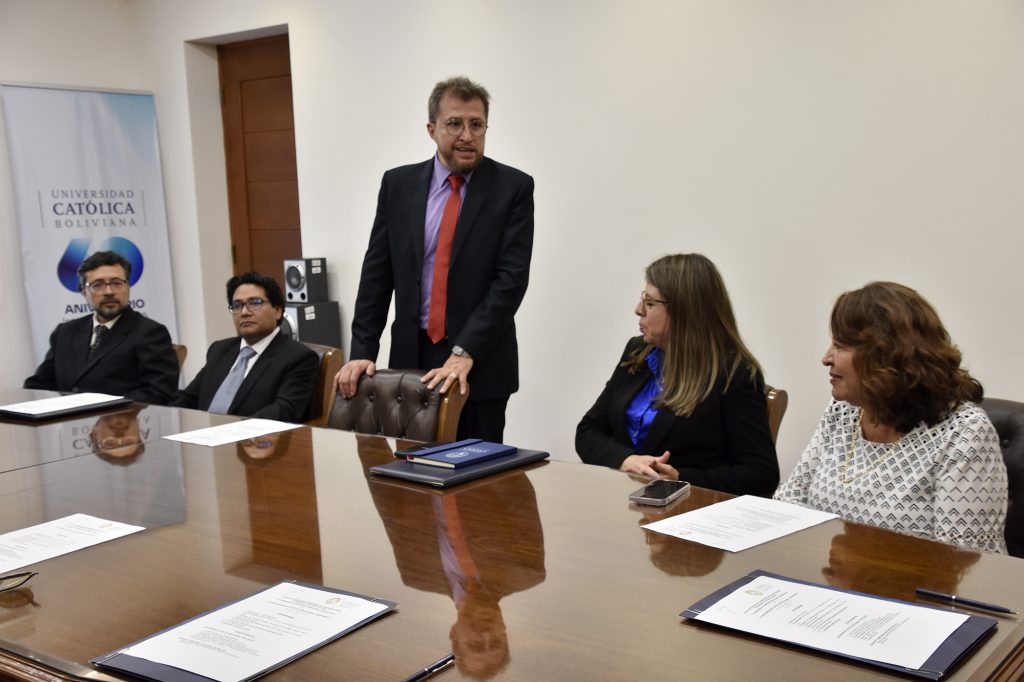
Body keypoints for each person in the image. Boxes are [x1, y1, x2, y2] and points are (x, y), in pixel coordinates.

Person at [335, 76, 534, 443]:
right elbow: (377, 273)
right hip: (411, 360)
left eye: (476, 125)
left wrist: (466, 350)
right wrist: (363, 350)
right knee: (409, 469)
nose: (467, 136)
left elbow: (510, 280)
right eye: (454, 124)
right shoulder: (398, 185)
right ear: (432, 129)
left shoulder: (513, 188)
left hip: (480, 363)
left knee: (476, 472)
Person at [774, 282, 1008, 553]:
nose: (826, 358)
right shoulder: (843, 410)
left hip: (912, 582)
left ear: (886, 355)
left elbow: (963, 560)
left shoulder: (964, 432)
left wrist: (856, 561)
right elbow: (788, 500)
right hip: (828, 575)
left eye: (840, 346)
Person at [576, 253, 779, 496]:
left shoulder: (734, 375)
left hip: (686, 510)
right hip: (620, 500)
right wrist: (627, 460)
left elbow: (761, 476)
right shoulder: (637, 352)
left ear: (684, 312)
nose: (638, 310)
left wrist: (681, 480)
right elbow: (588, 431)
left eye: (650, 303)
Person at [24, 250, 179, 405]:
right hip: (67, 417)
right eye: (97, 285)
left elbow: (159, 392)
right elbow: (39, 384)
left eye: (116, 283)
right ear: (84, 291)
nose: (109, 292)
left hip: (120, 418)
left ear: (128, 287)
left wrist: (103, 412)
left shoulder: (150, 333)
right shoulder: (65, 332)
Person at [174, 272, 318, 422]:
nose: (244, 312)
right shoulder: (219, 349)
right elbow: (188, 397)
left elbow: (283, 411)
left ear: (277, 311)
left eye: (255, 303)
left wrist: (229, 431)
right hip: (201, 432)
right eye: (237, 306)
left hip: (252, 436)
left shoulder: (298, 358)